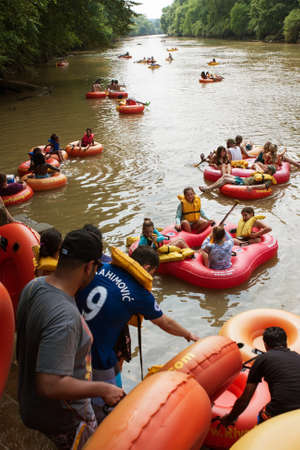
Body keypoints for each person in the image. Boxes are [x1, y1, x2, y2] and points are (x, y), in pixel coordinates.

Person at [16, 228, 124, 449]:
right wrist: (103, 389)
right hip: (66, 418)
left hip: (30, 403)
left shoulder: (33, 286)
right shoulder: (65, 318)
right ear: (88, 267)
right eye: (97, 267)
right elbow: (50, 384)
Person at [76, 245, 199, 421]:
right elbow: (164, 321)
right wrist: (187, 334)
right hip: (98, 356)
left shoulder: (103, 267)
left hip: (74, 341)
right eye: (153, 274)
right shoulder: (140, 294)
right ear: (147, 268)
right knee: (105, 408)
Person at [217, 327, 300, 427]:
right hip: (297, 414)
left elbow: (246, 397)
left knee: (262, 416)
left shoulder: (262, 359)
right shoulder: (297, 357)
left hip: (280, 412)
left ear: (265, 344)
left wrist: (230, 418)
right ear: (286, 342)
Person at [199, 165, 277, 193]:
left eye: (267, 168)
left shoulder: (269, 180)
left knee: (225, 179)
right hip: (243, 179)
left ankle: (209, 189)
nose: (265, 168)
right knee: (225, 175)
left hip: (245, 184)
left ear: (270, 171)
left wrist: (252, 187)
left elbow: (264, 186)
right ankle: (213, 187)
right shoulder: (263, 174)